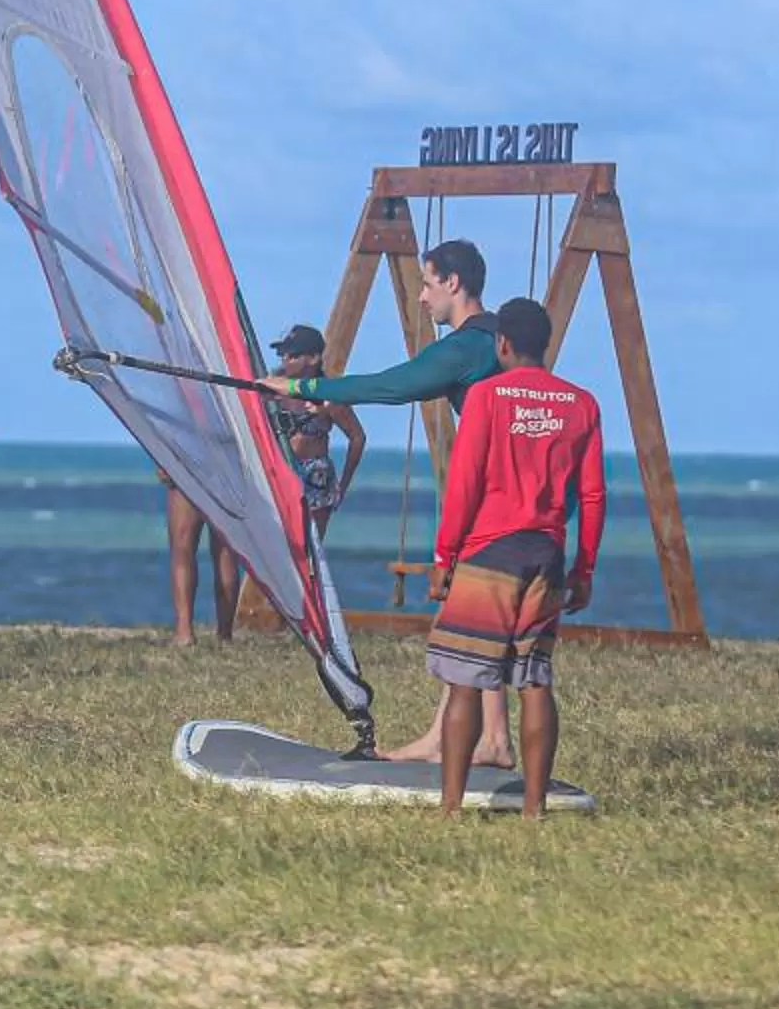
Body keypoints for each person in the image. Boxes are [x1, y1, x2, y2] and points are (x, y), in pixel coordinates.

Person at [254, 237, 519, 763]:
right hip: (517, 491)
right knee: (473, 614)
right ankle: (482, 735)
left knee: (470, 614)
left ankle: (484, 739)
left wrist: (302, 389)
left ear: (452, 283)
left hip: (496, 496)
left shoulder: (468, 346)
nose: (421, 297)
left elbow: (392, 385)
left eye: (426, 283)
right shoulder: (499, 342)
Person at [385, 298, 604, 817]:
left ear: (502, 344)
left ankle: (451, 807)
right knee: (535, 681)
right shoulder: (581, 403)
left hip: (489, 552)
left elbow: (465, 481)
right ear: (545, 345)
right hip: (546, 555)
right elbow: (593, 495)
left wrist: (445, 556)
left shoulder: (486, 396)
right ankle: (533, 809)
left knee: (465, 681)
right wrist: (584, 569)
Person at [264, 323, 366, 539]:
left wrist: (343, 484)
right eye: (282, 355)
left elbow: (357, 437)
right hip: (279, 469)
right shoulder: (272, 388)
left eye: (293, 355)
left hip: (314, 475)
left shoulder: (327, 394)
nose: (285, 360)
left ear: (313, 358)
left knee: (311, 544)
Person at [164, 477, 242, 646]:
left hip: (187, 470)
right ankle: (225, 634)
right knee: (226, 556)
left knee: (182, 550)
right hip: (225, 475)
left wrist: (165, 465)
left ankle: (184, 632)